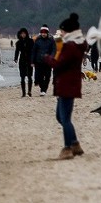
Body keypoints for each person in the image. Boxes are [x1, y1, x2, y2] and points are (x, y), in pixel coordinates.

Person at [45, 13, 86, 160]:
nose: (60, 33)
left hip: (67, 85)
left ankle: (68, 148)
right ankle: (74, 143)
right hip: (68, 84)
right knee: (60, 117)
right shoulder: (74, 44)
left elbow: (58, 63)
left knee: (65, 118)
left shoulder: (70, 46)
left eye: (62, 31)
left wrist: (47, 57)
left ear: (67, 31)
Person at [31, 25, 56, 96]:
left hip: (48, 61)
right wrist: (32, 61)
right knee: (39, 76)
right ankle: (42, 88)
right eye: (42, 32)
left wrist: (51, 57)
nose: (43, 34)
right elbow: (34, 51)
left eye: (45, 32)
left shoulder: (51, 40)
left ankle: (44, 89)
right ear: (40, 33)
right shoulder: (37, 40)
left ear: (47, 33)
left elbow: (54, 50)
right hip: (39, 61)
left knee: (47, 76)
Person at [14, 28, 34, 97]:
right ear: (20, 34)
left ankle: (29, 91)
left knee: (29, 76)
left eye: (24, 33)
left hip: (29, 59)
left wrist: (33, 60)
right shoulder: (18, 42)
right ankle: (23, 92)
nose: (23, 35)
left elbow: (33, 51)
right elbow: (17, 51)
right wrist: (16, 58)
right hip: (22, 60)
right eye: (22, 34)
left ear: (26, 34)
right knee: (22, 77)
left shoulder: (31, 41)